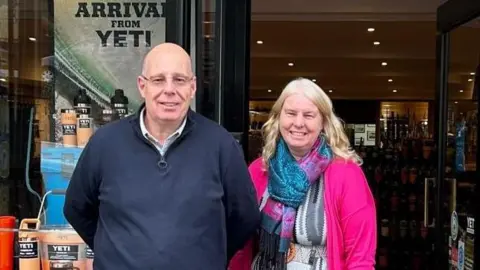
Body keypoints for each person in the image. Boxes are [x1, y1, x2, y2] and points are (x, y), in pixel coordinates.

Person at [63, 42, 260, 270]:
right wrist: (116, 252)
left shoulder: (221, 145)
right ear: (142, 86)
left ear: (192, 87)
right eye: (158, 80)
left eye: (179, 79)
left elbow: (245, 218)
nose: (169, 89)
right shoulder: (105, 143)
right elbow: (77, 209)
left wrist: (208, 257)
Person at [230, 78, 377, 270]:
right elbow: (240, 241)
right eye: (291, 113)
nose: (298, 123)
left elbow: (360, 256)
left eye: (309, 115)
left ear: (323, 122)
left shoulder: (347, 174)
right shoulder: (259, 170)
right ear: (278, 118)